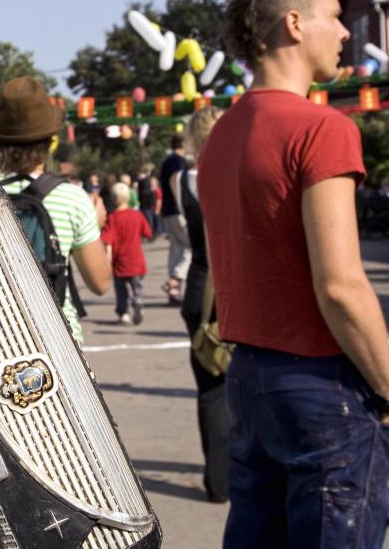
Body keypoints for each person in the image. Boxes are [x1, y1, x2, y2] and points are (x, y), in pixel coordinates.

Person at [199, 0, 389, 549]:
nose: (345, 32)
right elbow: (340, 285)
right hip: (321, 382)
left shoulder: (222, 134)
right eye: (335, 15)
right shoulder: (322, 128)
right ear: (295, 23)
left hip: (248, 375)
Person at [0, 76, 111, 344]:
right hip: (58, 340)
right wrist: (95, 226)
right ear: (49, 140)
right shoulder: (72, 199)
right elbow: (100, 284)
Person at [169, 105, 228, 503]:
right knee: (248, 383)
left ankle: (218, 481)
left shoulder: (180, 180)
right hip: (236, 288)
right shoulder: (238, 172)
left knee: (210, 388)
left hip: (199, 289)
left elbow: (184, 236)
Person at [100, 183, 152, 325]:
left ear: (114, 199)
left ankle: (124, 313)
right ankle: (138, 301)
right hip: (136, 258)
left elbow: (107, 240)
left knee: (121, 290)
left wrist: (108, 258)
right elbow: (148, 233)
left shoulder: (113, 218)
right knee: (137, 285)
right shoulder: (137, 215)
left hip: (120, 260)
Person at [158, 133, 190, 305]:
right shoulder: (178, 161)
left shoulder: (167, 161)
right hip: (178, 210)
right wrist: (184, 204)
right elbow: (176, 182)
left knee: (177, 248)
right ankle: (175, 281)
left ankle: (174, 291)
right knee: (193, 247)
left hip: (167, 210)